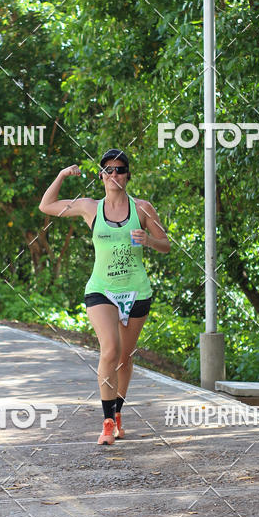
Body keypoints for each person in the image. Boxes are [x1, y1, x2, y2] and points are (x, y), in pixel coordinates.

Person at [39, 149, 170, 445]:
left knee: (125, 358)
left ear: (128, 175)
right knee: (110, 350)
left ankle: (119, 413)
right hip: (101, 289)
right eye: (108, 170)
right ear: (101, 176)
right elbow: (46, 205)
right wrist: (61, 175)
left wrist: (148, 240)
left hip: (137, 291)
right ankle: (107, 422)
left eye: (120, 169)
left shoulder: (143, 209)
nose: (114, 175)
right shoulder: (89, 207)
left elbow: (166, 245)